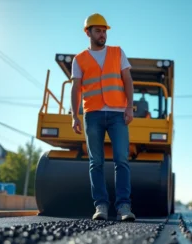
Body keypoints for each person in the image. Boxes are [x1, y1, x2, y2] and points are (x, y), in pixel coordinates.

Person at [70, 13, 136, 222]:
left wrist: (129, 107)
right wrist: (75, 115)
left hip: (117, 113)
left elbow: (128, 80)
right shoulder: (79, 59)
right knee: (95, 162)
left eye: (104, 30)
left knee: (121, 160)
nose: (102, 34)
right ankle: (101, 206)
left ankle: (124, 206)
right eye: (98, 30)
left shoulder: (118, 52)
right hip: (93, 114)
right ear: (87, 32)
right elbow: (76, 89)